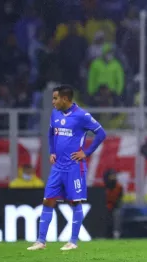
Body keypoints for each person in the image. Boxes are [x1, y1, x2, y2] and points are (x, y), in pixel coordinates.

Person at [27, 85, 107, 251]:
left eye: (55, 98)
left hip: (74, 167)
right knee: (48, 200)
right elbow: (51, 133)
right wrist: (52, 152)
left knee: (75, 202)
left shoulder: (82, 116)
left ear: (65, 99)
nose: (53, 102)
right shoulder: (55, 113)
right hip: (58, 167)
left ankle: (73, 241)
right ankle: (41, 241)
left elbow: (101, 134)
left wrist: (86, 152)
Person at [104, 169, 123, 239]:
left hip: (114, 206)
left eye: (114, 175)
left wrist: (114, 206)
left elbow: (119, 199)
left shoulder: (119, 187)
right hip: (104, 207)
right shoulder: (102, 186)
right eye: (112, 175)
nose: (114, 177)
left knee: (117, 214)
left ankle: (116, 233)